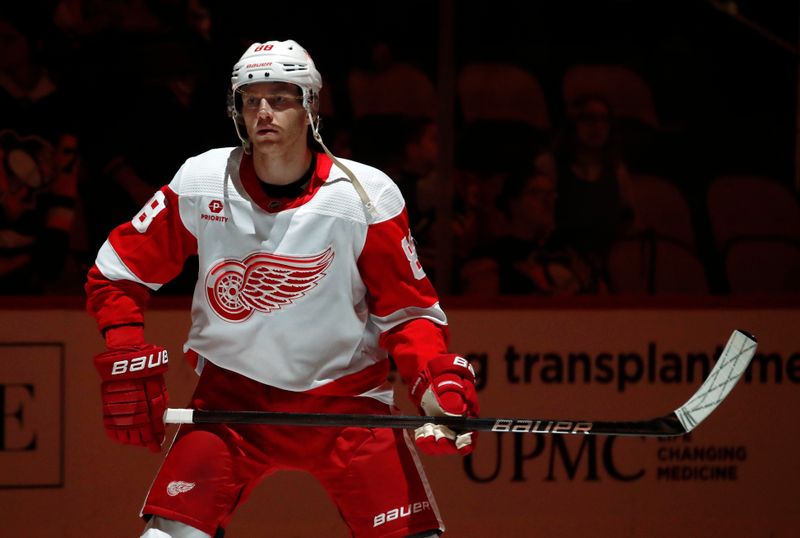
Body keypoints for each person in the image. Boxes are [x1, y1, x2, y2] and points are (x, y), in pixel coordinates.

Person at [85, 39, 479, 538]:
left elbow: (407, 313)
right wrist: (124, 347)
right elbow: (116, 272)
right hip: (231, 409)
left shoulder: (365, 194)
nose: (264, 112)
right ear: (237, 111)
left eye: (281, 98)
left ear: (310, 106)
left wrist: (433, 389)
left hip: (349, 410)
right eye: (251, 100)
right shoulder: (202, 181)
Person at [460, 168, 604, 295]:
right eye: (536, 193)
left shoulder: (571, 248)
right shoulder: (492, 254)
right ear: (514, 203)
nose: (547, 200)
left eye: (551, 193)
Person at [551, 93, 639, 272]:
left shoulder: (617, 171)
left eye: (603, 120)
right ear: (572, 124)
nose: (597, 126)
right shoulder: (551, 166)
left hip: (607, 263)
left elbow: (630, 221)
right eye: (588, 119)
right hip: (561, 262)